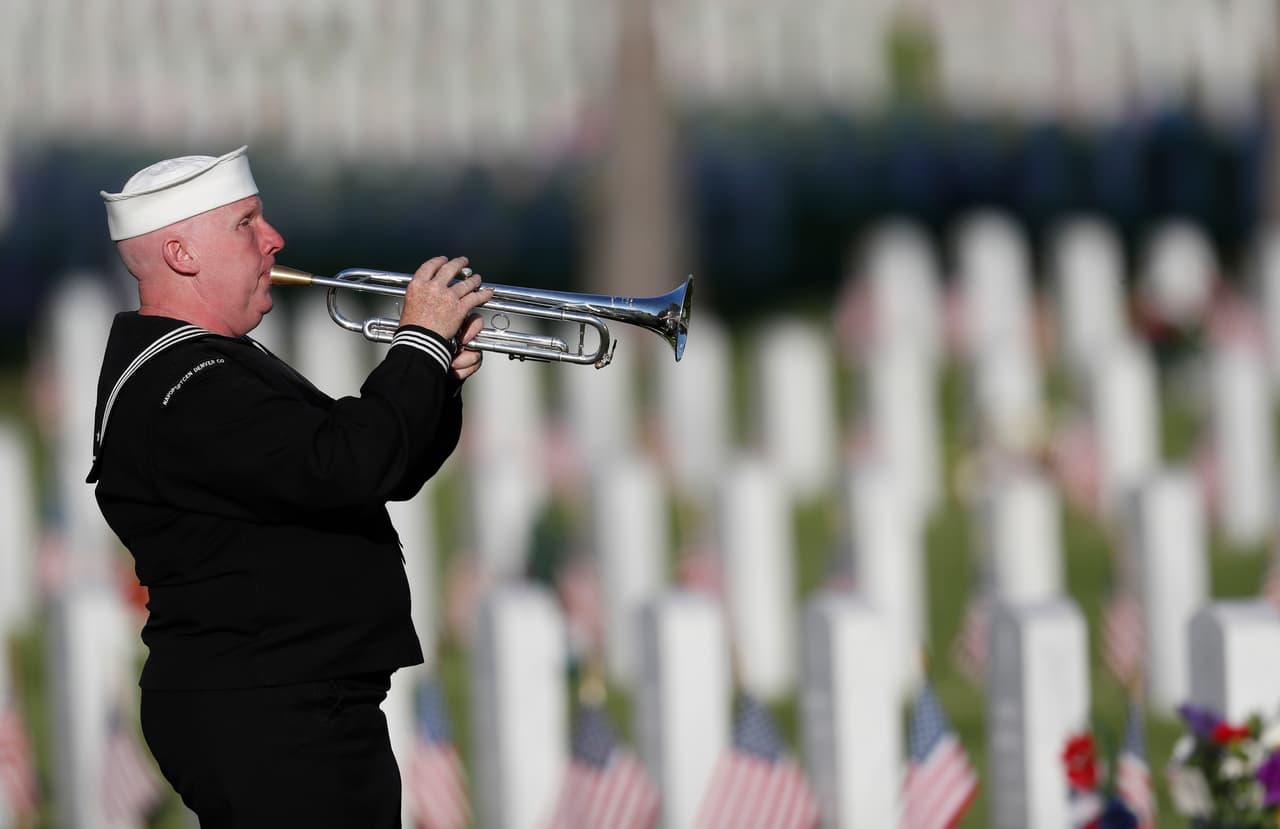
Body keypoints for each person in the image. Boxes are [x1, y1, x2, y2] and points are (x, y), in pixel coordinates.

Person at [87, 145, 492, 827]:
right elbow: (344, 464)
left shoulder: (209, 364)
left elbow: (375, 475)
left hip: (294, 697)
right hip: (271, 708)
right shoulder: (185, 387)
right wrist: (417, 345)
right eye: (247, 223)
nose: (274, 238)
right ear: (184, 255)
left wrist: (434, 381)